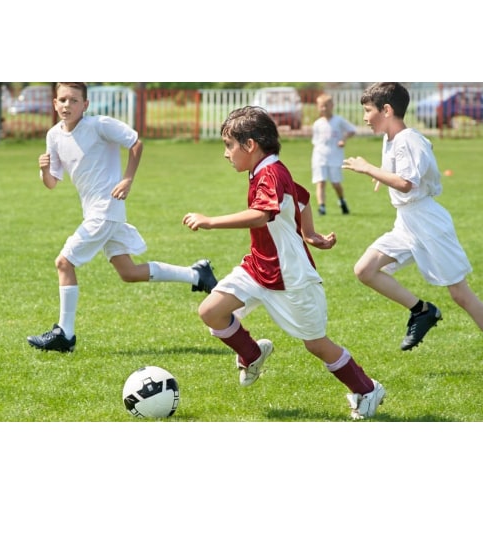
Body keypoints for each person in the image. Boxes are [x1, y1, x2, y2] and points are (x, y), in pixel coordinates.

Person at [183, 106, 385, 420]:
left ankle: (367, 389)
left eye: (229, 145)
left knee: (316, 344)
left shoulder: (271, 172)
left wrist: (210, 221)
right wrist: (310, 233)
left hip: (290, 276)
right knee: (211, 311)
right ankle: (252, 354)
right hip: (258, 266)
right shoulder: (267, 169)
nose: (226, 153)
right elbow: (302, 198)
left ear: (250, 145)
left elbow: (263, 214)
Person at [27, 82, 217, 353]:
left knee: (63, 262)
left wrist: (127, 178)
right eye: (62, 100)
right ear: (54, 103)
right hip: (96, 212)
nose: (67, 105)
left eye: (74, 100)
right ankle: (197, 275)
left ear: (85, 105)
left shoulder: (99, 125)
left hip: (106, 209)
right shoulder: (54, 136)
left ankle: (64, 335)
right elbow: (52, 182)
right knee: (128, 273)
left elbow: (136, 142)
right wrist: (44, 171)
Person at [343, 82, 483, 351]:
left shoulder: (408, 139)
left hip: (428, 222)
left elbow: (406, 183)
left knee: (461, 294)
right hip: (406, 222)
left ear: (386, 110)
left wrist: (368, 169)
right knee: (365, 270)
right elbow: (400, 173)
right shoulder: (392, 138)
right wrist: (382, 176)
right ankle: (422, 311)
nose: (364, 117)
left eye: (367, 110)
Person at [311, 93, 357, 216]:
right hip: (319, 156)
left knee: (335, 183)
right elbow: (316, 141)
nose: (324, 108)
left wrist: (344, 139)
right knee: (320, 182)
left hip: (335, 156)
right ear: (318, 107)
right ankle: (322, 207)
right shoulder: (317, 124)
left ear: (332, 106)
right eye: (321, 106)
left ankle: (342, 200)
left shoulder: (339, 121)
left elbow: (352, 130)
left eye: (326, 105)